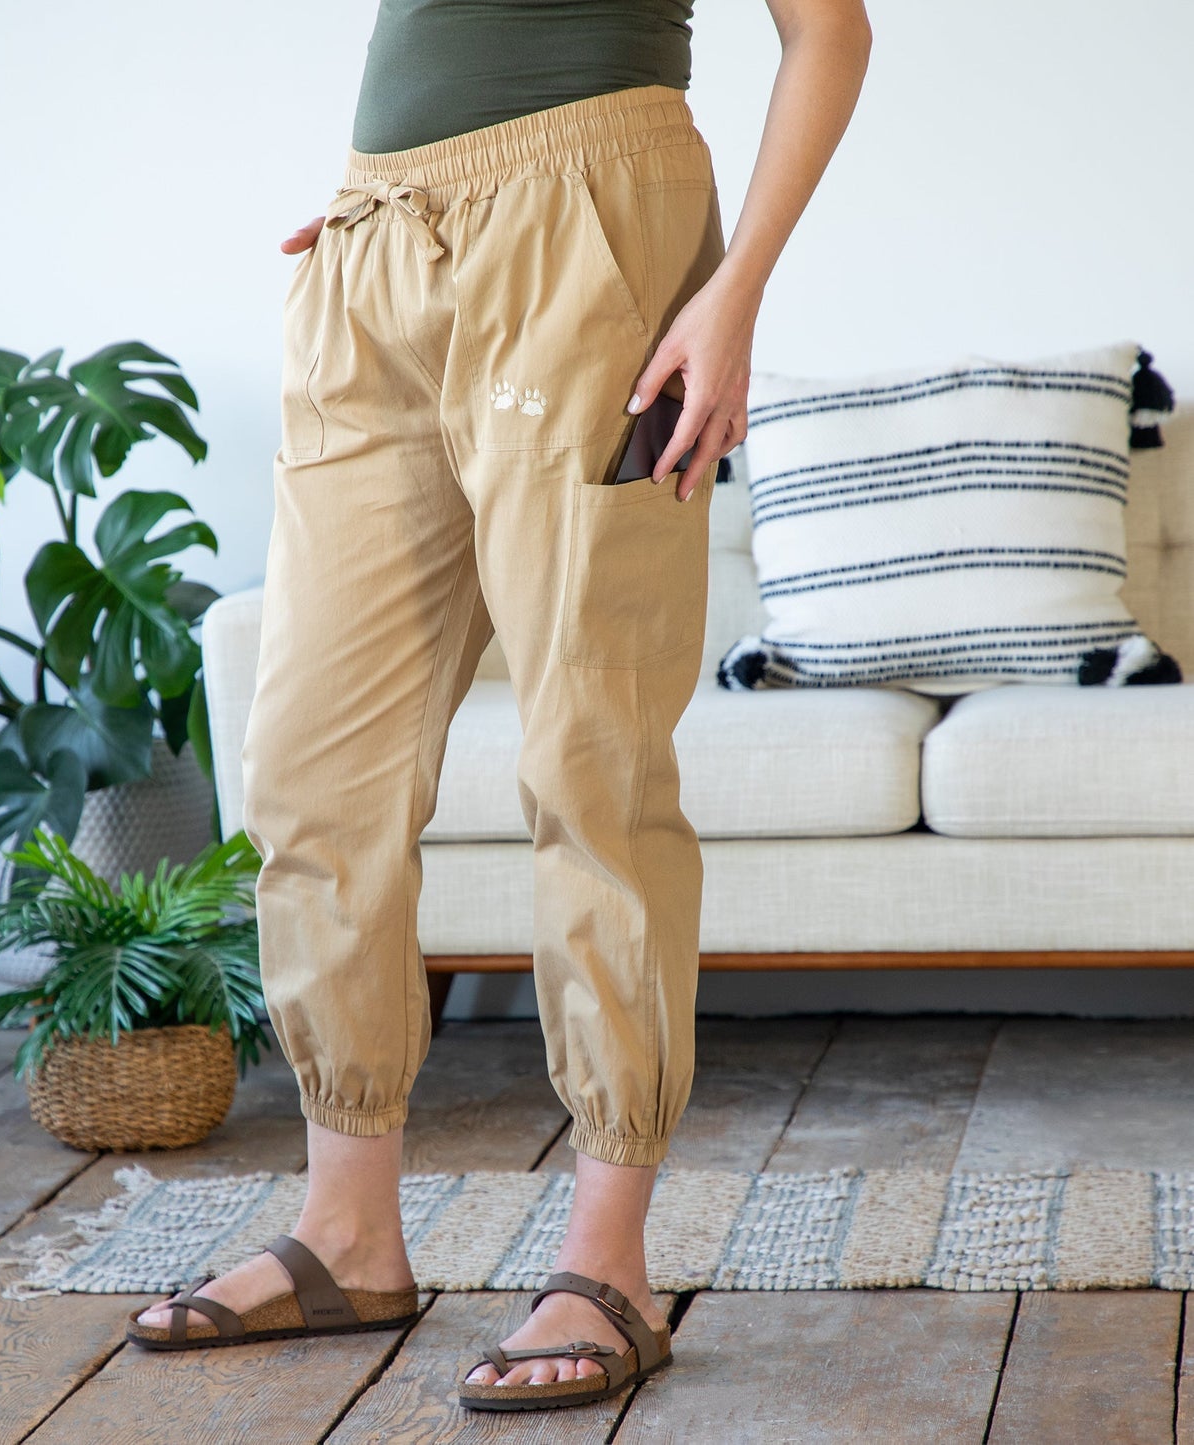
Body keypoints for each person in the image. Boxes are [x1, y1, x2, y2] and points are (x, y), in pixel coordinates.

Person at [127, 0, 873, 1413]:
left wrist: (736, 291)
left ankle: (610, 1261)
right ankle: (346, 1232)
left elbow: (828, 32)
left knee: (589, 765)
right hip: (374, 233)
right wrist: (401, 205)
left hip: (589, 219)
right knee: (308, 773)